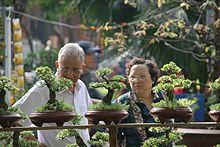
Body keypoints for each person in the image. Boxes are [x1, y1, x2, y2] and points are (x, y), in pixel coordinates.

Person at [13, 43, 92, 147]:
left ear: (83, 68)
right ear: (57, 65)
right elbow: (15, 120)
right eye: (65, 68)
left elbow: (88, 116)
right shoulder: (43, 89)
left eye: (75, 70)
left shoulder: (81, 86)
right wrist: (39, 145)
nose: (69, 74)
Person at [115, 57, 163, 147]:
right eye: (132, 77)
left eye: (142, 77)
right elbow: (113, 135)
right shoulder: (121, 103)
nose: (136, 81)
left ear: (153, 79)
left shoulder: (164, 99)